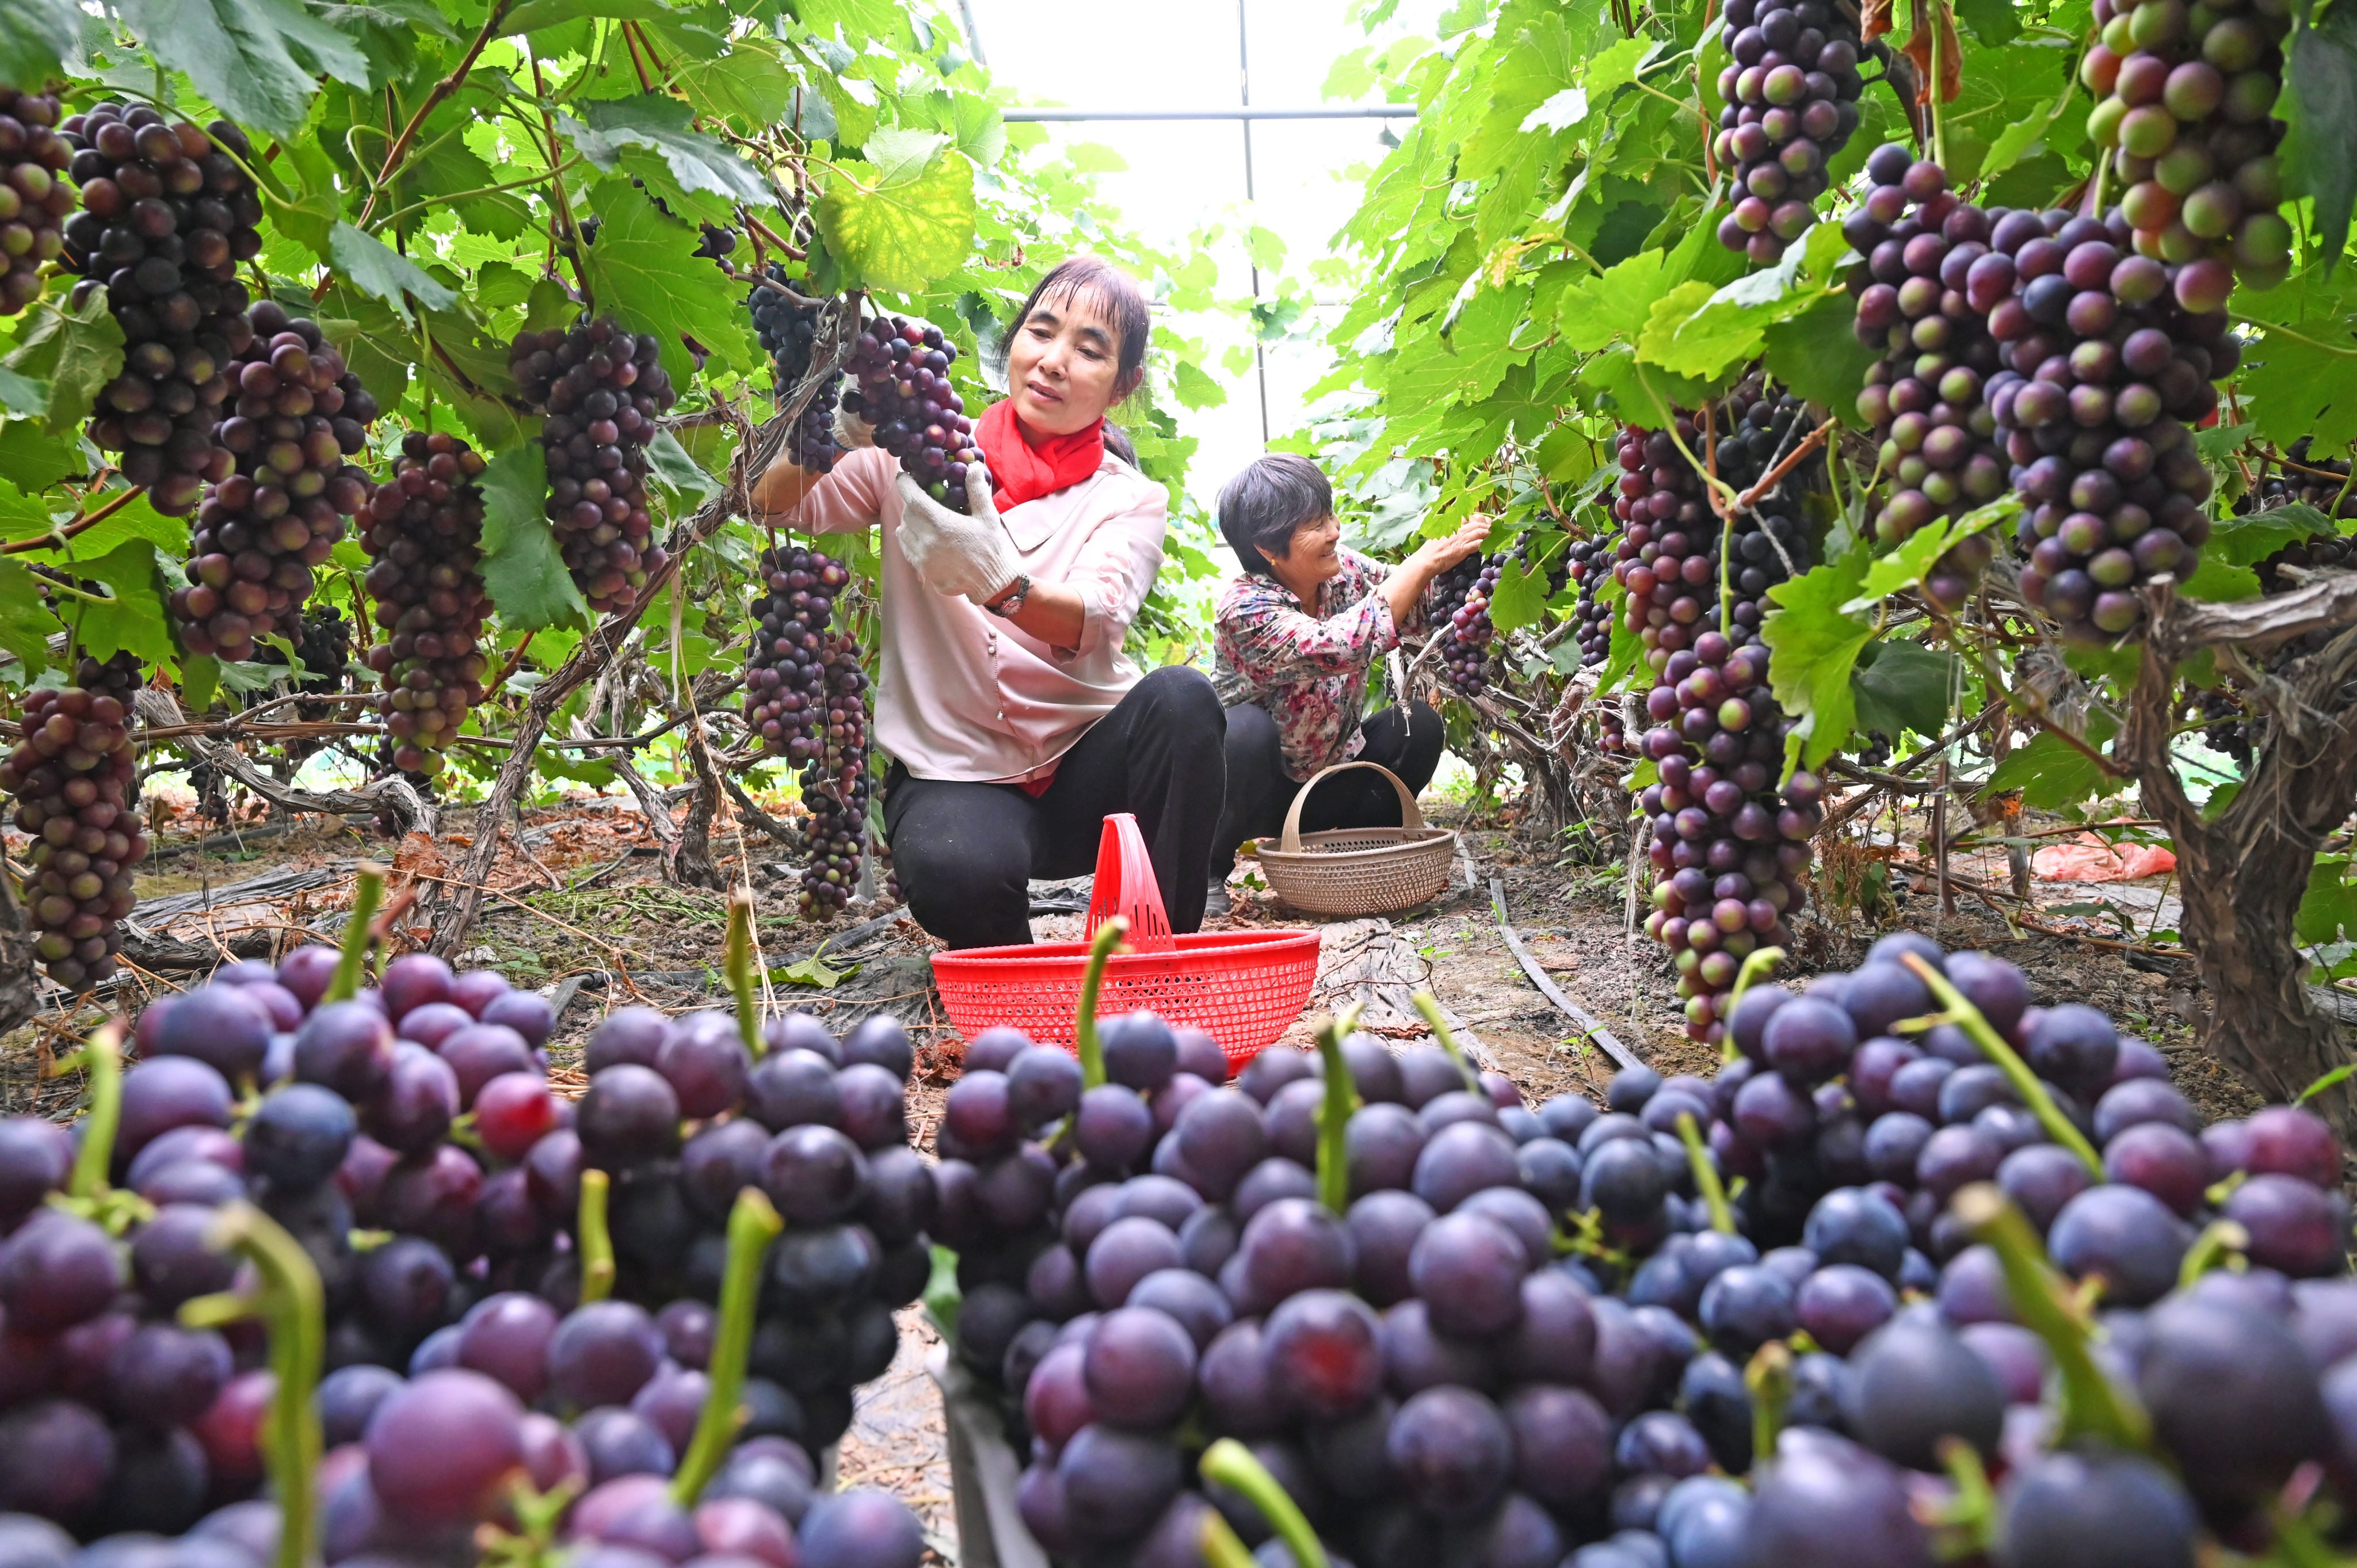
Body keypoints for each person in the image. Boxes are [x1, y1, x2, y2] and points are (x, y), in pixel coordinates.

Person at [751, 258, 1226, 949]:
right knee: (954, 869)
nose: (1054, 362)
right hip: (957, 774)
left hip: (1087, 770)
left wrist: (1004, 584)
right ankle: (1013, 974)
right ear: (1014, 343)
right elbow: (768, 502)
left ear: (1125, 385)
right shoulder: (912, 453)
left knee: (1184, 701)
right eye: (1041, 332)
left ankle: (1153, 955)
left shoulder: (1129, 498)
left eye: (1089, 350)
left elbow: (1095, 615)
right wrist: (836, 436)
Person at [1209, 455, 1490, 903]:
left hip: (1329, 780)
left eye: (1331, 516)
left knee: (1417, 726)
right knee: (1243, 731)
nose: (1335, 531)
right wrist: (1419, 564)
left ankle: (1366, 849)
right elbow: (1338, 645)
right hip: (1256, 794)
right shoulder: (1244, 609)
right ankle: (1209, 867)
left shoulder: (1345, 574)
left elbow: (1421, 609)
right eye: (1317, 525)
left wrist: (1478, 562)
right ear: (1267, 548)